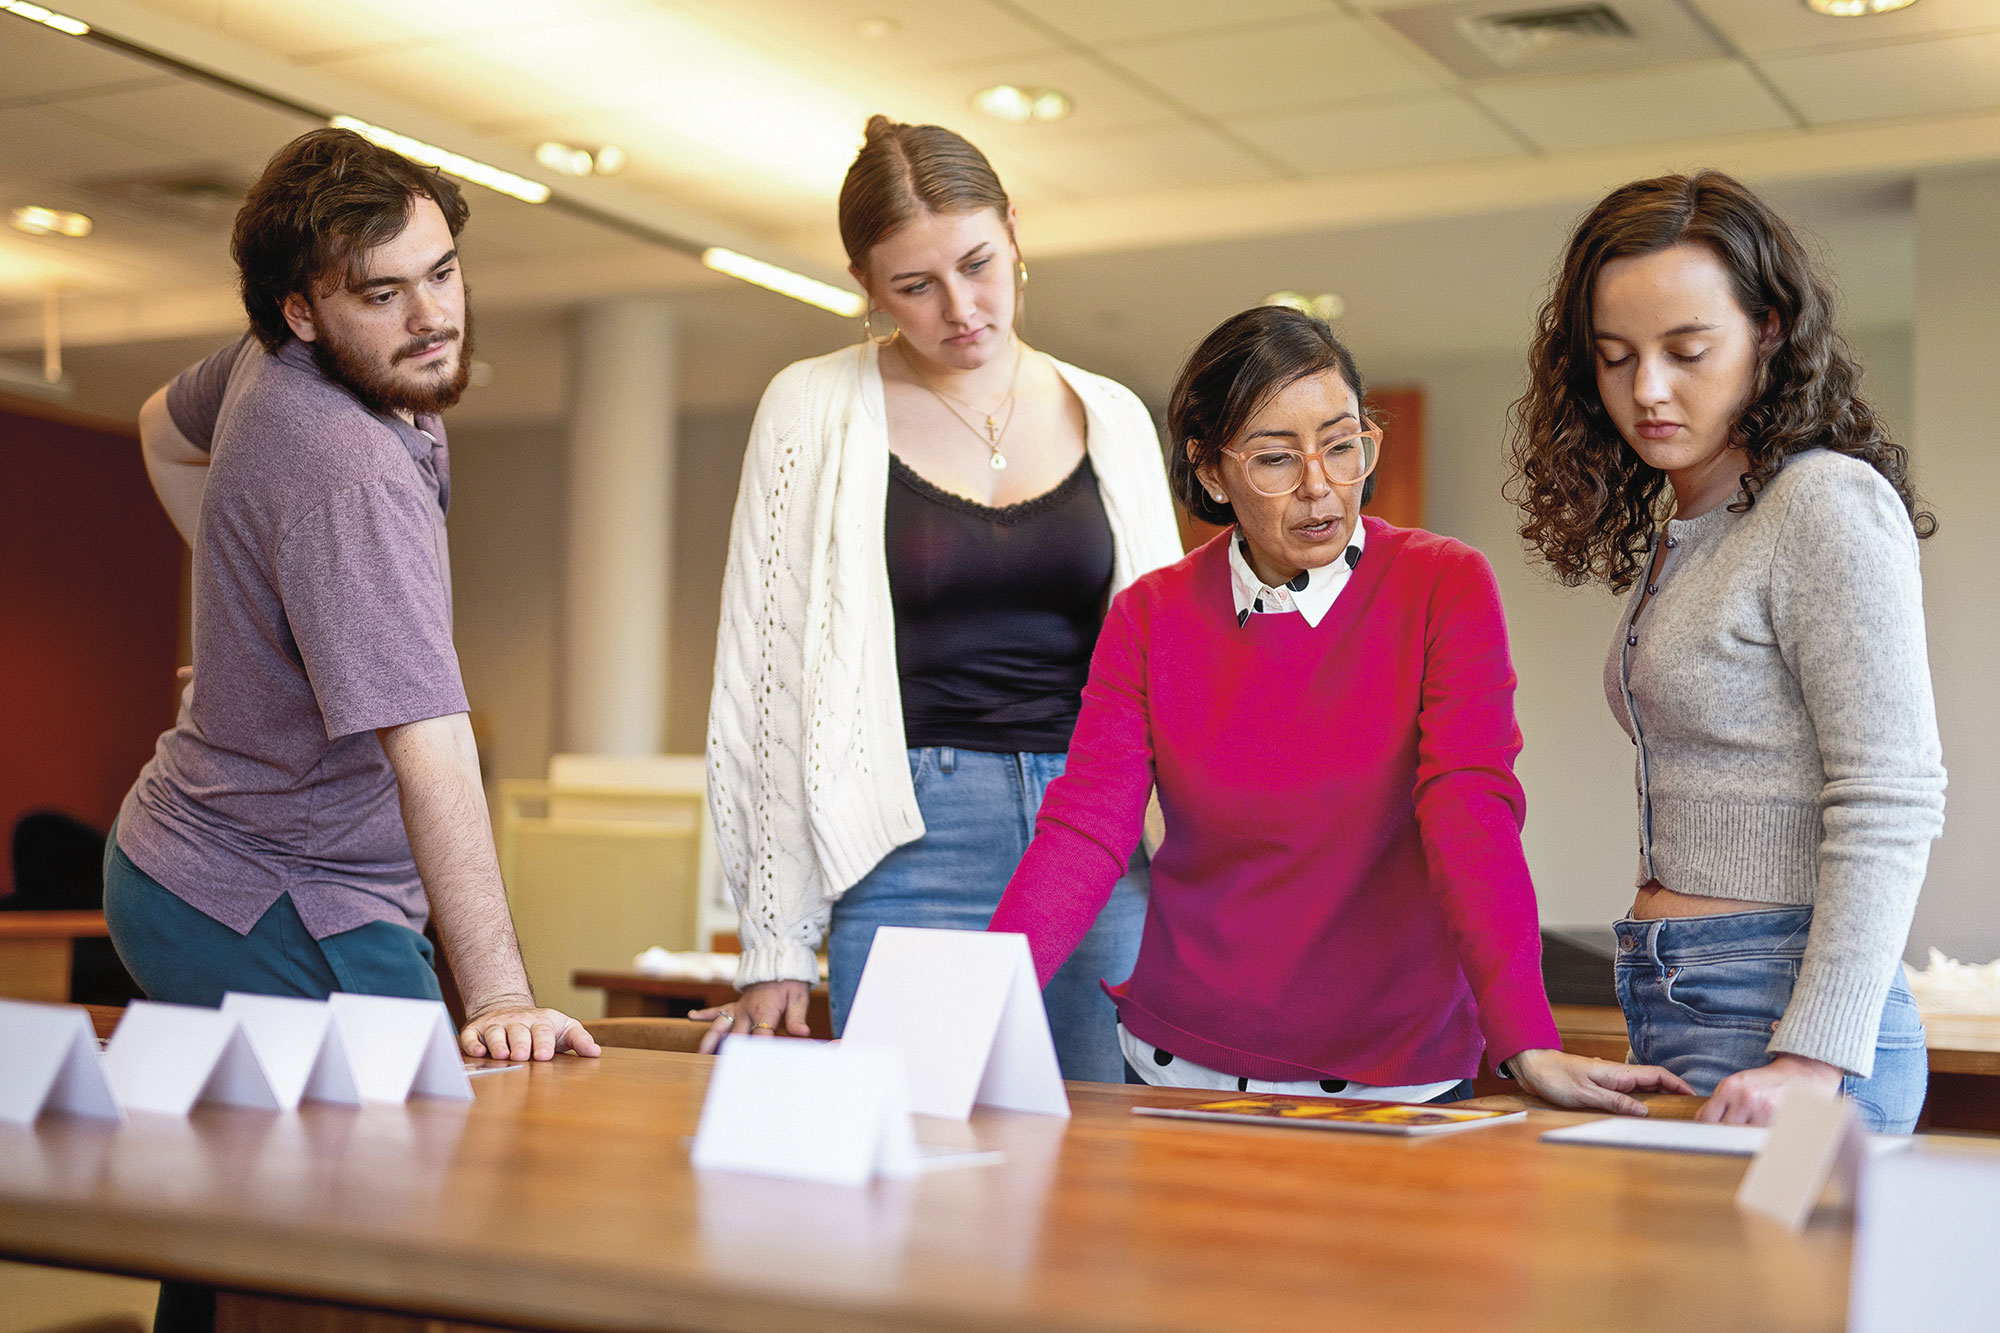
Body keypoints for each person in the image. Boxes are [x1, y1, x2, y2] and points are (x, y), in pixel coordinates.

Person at [985, 306, 1690, 1113]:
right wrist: (976, 1007)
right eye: (1277, 459)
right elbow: (1084, 830)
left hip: (1395, 1075)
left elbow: (1470, 812)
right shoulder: (1152, 616)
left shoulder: (1440, 586)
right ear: (1212, 472)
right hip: (1182, 1067)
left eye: (1343, 443)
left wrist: (1524, 1035)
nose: (1320, 485)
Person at [697, 116, 1182, 1079]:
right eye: (914, 286)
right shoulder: (811, 407)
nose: (961, 307)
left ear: (1015, 233)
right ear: (866, 290)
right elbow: (764, 689)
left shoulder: (1114, 414)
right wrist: (776, 945)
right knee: (916, 1183)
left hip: (1098, 834)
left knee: (1102, 1179)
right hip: (907, 836)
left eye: (978, 264)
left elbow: (1172, 670)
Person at [113, 128, 598, 1066]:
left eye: (443, 273)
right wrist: (501, 996)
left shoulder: (290, 359)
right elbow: (434, 746)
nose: (432, 317)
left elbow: (160, 432)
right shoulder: (351, 471)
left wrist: (260, 618)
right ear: (301, 310)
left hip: (196, 857)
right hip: (264, 888)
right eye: (384, 294)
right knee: (420, 1167)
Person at [1507, 170, 1944, 1132]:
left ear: (1770, 333)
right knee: (1689, 1289)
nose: (1646, 390)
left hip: (1792, 1023)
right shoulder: (1697, 524)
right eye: (1615, 358)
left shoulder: (1820, 501)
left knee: (1774, 1282)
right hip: (1685, 1002)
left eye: (1687, 350)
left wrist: (1813, 1054)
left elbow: (1891, 789)